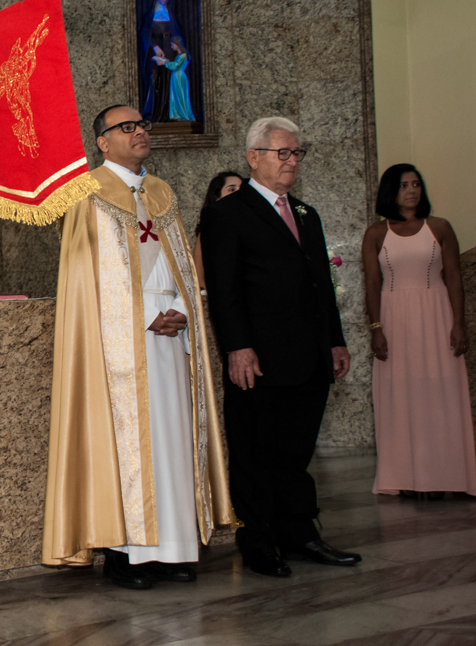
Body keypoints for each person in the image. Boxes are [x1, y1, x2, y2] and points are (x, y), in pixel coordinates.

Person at [41, 104, 233, 590]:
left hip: (171, 333)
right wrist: (146, 316)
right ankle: (127, 556)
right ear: (102, 142)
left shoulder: (161, 191)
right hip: (120, 342)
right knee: (129, 439)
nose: (140, 132)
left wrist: (183, 311)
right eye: (127, 127)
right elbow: (92, 279)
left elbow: (182, 267)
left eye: (142, 125)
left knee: (172, 437)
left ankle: (174, 550)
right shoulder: (86, 192)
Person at [200, 117, 361, 578]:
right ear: (254, 158)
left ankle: (300, 532)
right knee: (256, 451)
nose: (292, 162)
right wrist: (237, 348)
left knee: (296, 450)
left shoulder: (307, 214)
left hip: (310, 357)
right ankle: (259, 542)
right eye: (282, 154)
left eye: (296, 154)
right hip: (259, 360)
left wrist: (335, 340)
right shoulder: (227, 214)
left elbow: (320, 288)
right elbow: (226, 291)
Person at [362, 165, 475, 498]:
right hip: (395, 318)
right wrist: (376, 328)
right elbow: (372, 283)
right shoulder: (376, 233)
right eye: (403, 186)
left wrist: (459, 322)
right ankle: (406, 477)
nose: (411, 190)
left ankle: (450, 476)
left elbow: (454, 276)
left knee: (441, 392)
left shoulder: (440, 227)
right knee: (402, 395)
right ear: (389, 192)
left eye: (415, 184)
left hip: (437, 315)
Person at [192, 171, 244, 290]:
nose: (238, 194)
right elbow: (200, 276)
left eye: (242, 189)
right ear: (217, 197)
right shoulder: (210, 230)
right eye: (231, 189)